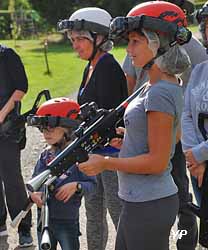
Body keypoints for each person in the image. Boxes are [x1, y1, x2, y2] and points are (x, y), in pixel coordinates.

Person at [79, 2, 191, 250]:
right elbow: (171, 136)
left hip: (149, 203)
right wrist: (131, 138)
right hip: (138, 200)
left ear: (158, 42)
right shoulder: (154, 86)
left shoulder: (159, 92)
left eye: (135, 41)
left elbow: (158, 162)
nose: (128, 50)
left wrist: (105, 162)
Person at [122, 1, 208, 249]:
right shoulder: (144, 32)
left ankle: (183, 242)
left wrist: (192, 150)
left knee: (182, 199)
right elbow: (130, 79)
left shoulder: (194, 51)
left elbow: (194, 105)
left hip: (176, 136)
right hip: (152, 124)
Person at [58, 7, 128, 250]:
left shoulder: (107, 67)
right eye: (72, 40)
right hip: (92, 154)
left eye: (80, 39)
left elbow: (110, 121)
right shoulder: (92, 66)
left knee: (117, 212)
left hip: (110, 155)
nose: (75, 45)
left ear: (99, 38)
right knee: (94, 214)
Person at [29, 97, 97, 250]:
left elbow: (92, 185)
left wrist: (77, 186)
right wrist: (34, 195)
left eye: (51, 128)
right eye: (43, 129)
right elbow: (34, 183)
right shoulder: (45, 156)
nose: (46, 133)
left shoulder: (80, 157)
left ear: (68, 128)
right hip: (44, 219)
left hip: (67, 221)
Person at [0, 44, 33, 247]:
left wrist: (2, 114)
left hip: (8, 128)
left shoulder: (7, 56)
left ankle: (23, 228)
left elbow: (22, 87)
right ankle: (0, 227)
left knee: (12, 179)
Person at [181, 0, 208, 208]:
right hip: (199, 166)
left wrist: (200, 154)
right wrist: (192, 157)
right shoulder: (200, 70)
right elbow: (186, 113)